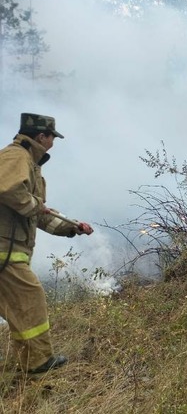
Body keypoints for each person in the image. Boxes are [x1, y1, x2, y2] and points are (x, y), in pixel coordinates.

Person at [0, 113, 94, 374]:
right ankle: (39, 361)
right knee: (30, 300)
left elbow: (37, 215)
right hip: (5, 251)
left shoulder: (31, 165)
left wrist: (71, 228)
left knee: (19, 309)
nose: (53, 142)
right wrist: (34, 206)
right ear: (42, 136)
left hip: (9, 251)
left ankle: (28, 361)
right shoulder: (16, 156)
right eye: (52, 137)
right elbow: (8, 191)